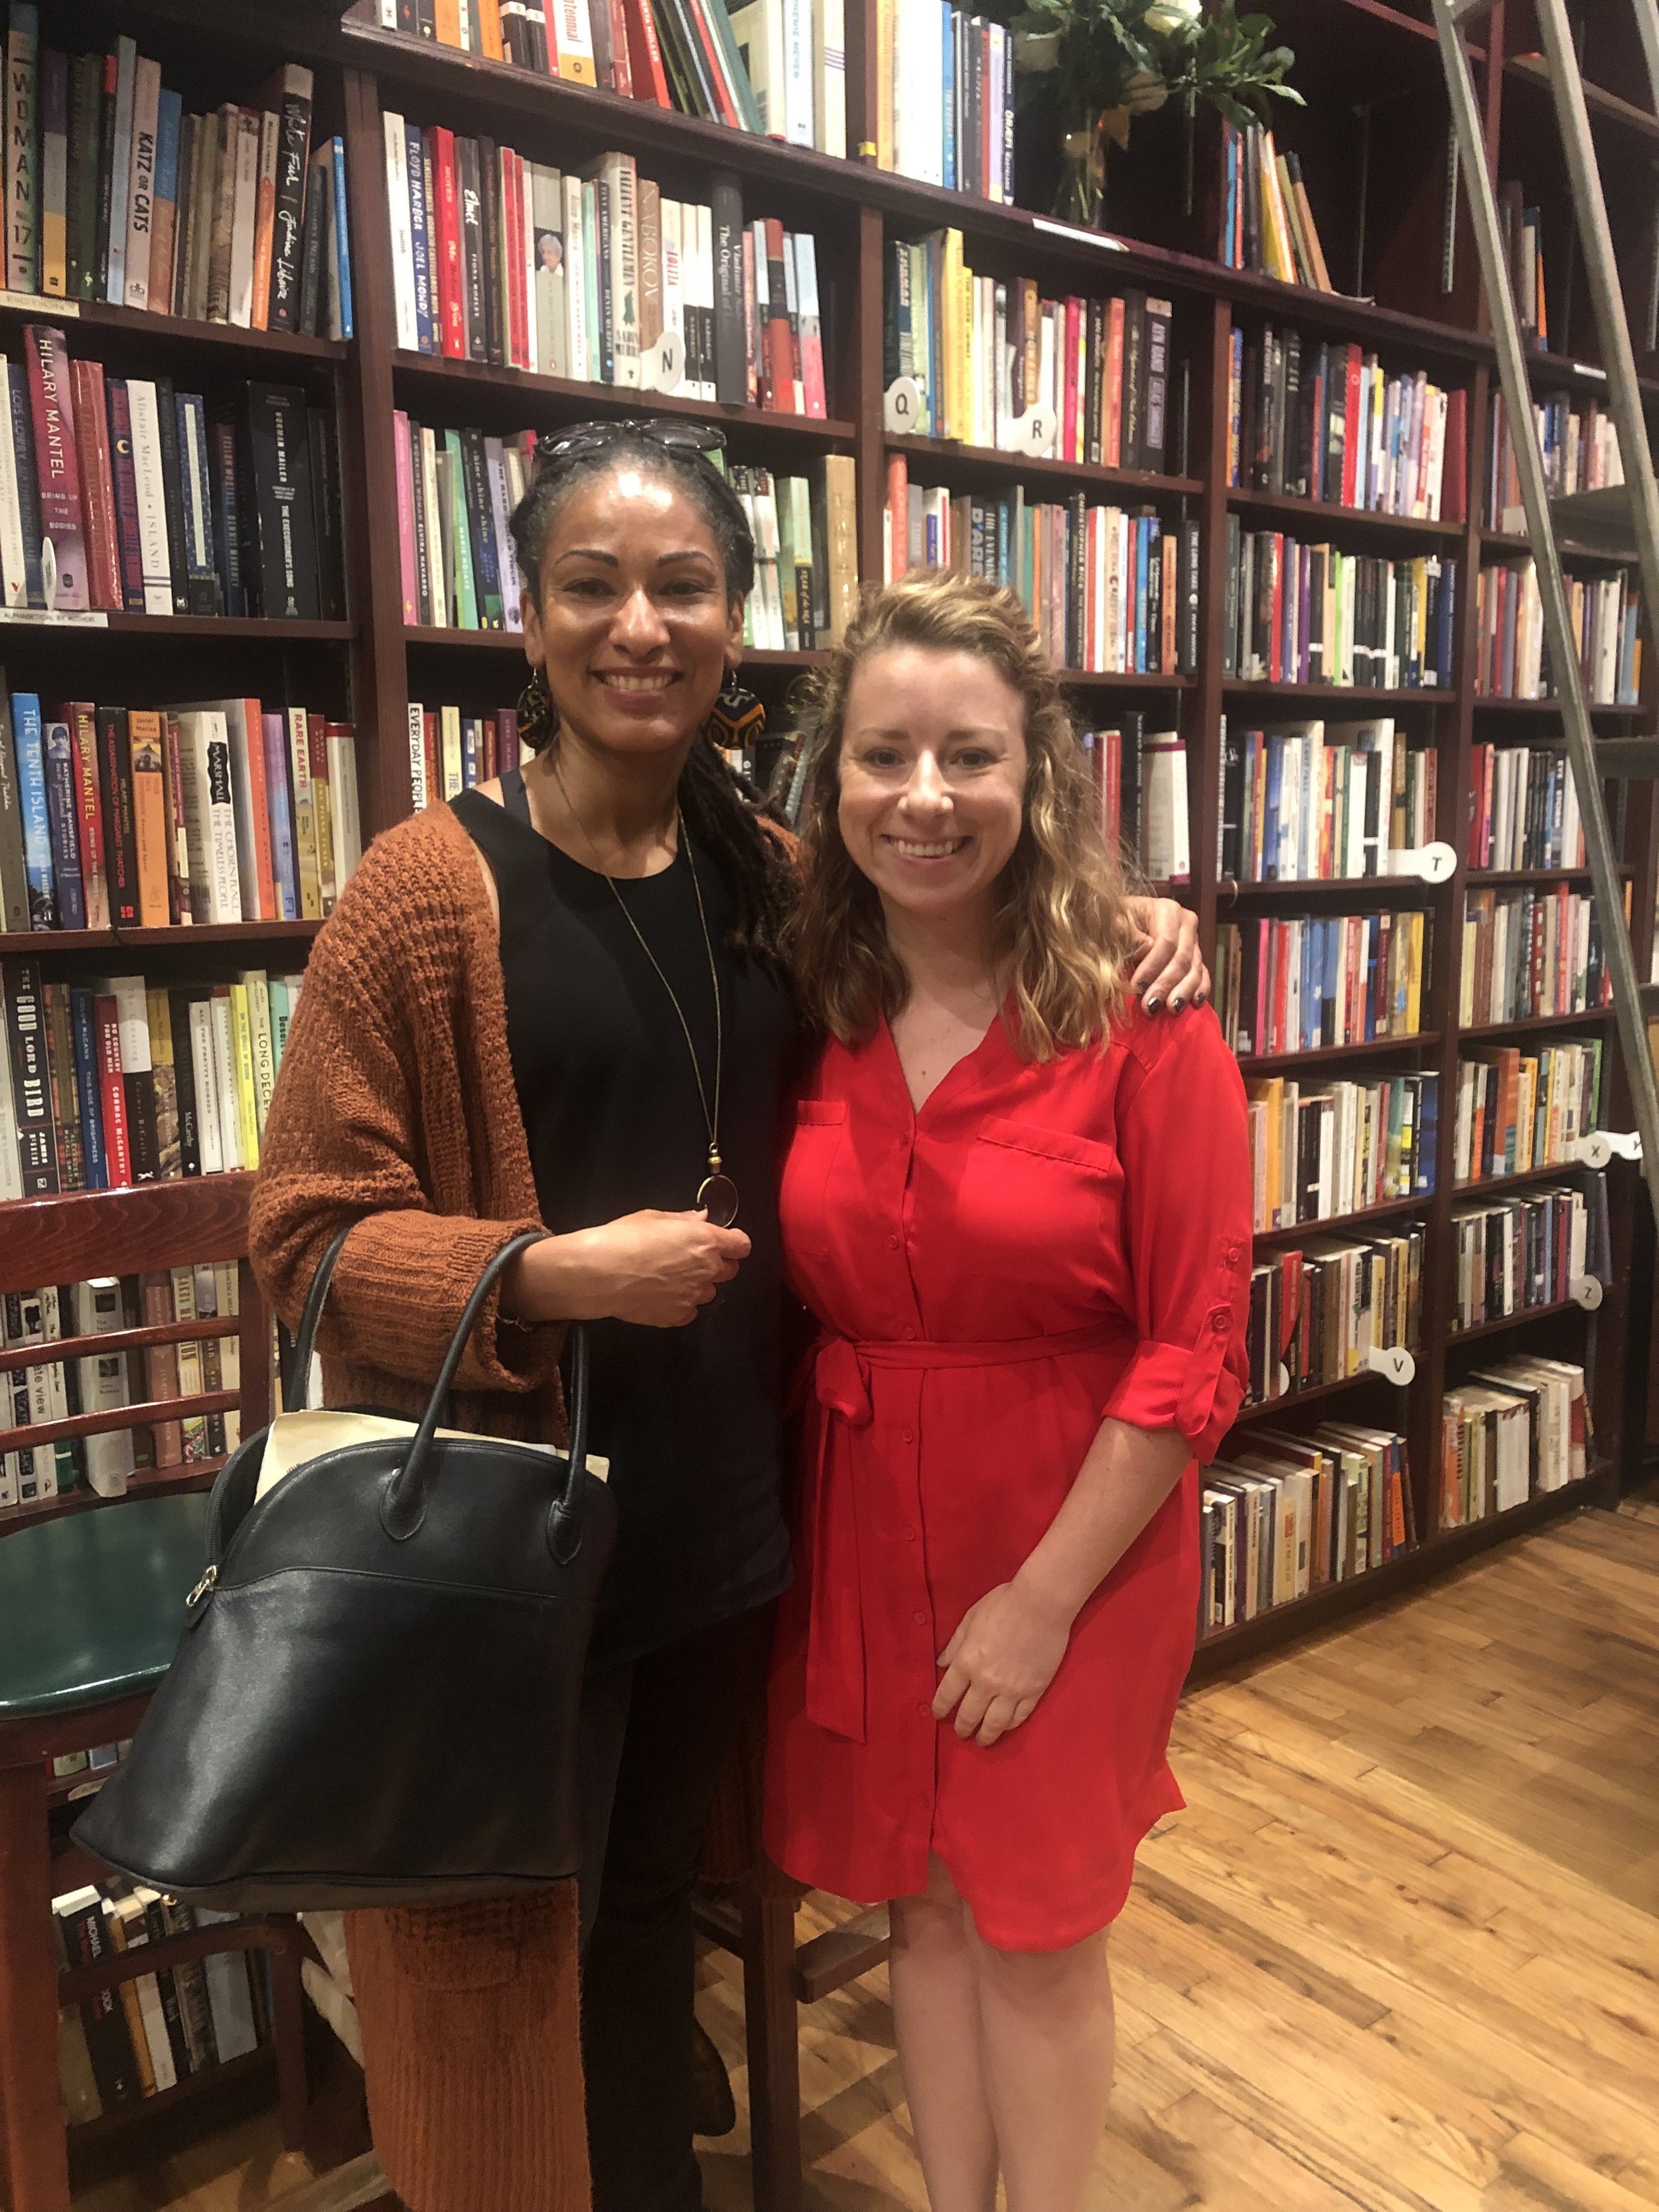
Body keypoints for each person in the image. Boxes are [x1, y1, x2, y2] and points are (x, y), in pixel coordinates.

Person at [249, 421, 1209, 2212]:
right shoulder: (419, 889)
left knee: (648, 1928)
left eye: (681, 585)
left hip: (728, 1527)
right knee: (494, 1954)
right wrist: (534, 1271)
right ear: (523, 620)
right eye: (591, 586)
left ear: (733, 622)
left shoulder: (774, 876)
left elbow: (970, 927)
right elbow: (299, 1236)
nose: (640, 623)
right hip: (504, 1542)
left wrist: (1133, 912)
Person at [764, 569, 1252, 2212]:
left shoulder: (1140, 1012)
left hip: (1070, 1535)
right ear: (827, 779)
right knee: (914, 1902)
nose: (923, 797)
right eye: (882, 754)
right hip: (861, 1527)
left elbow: (1194, 1345)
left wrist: (1040, 1599)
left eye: (968, 756)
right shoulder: (807, 998)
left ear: (1033, 774)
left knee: (1036, 1931)